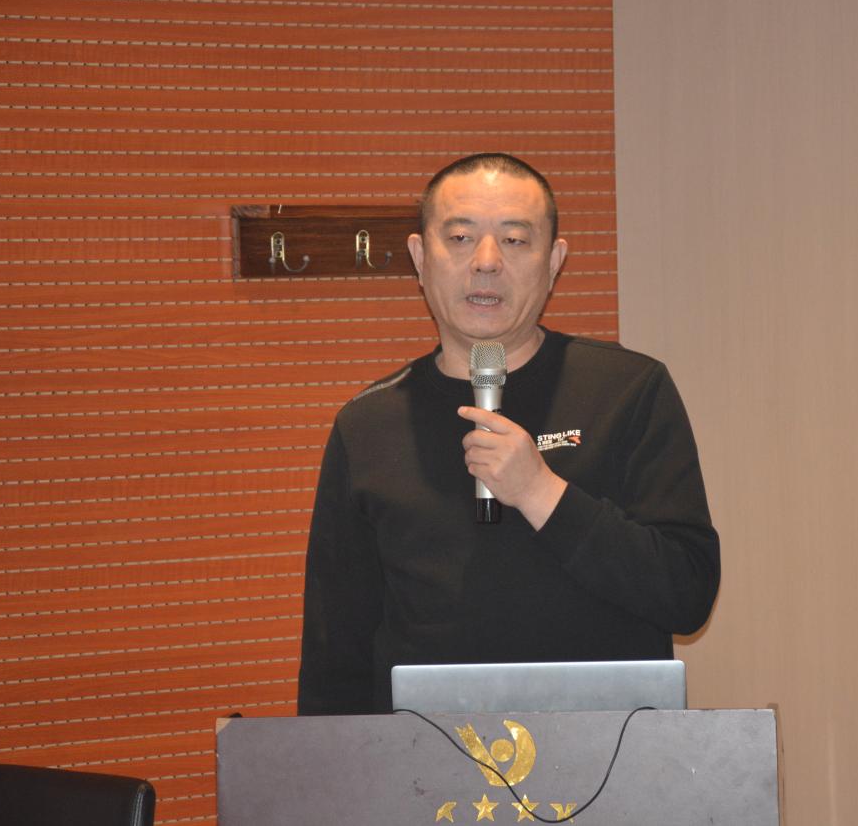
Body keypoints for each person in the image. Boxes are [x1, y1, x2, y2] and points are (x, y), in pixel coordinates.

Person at [296, 153, 720, 715]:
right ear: (420, 257)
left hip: (608, 748)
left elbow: (687, 594)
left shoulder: (629, 390)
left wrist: (542, 493)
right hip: (427, 755)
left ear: (555, 262)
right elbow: (336, 652)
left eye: (516, 240)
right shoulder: (367, 424)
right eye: (460, 237)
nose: (487, 262)